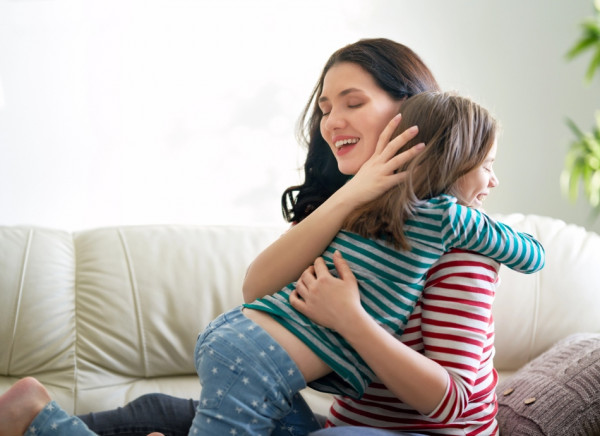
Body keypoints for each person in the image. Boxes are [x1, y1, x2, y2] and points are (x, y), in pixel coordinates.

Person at [0, 39, 543, 436]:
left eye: (353, 102)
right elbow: (256, 287)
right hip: (330, 418)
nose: (331, 122)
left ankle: (38, 420)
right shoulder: (353, 214)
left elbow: (457, 406)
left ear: (411, 115)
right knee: (165, 407)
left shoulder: (459, 237)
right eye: (326, 108)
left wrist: (350, 319)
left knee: (177, 415)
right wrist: (352, 196)